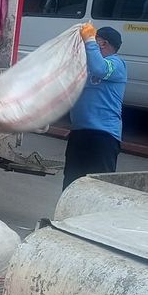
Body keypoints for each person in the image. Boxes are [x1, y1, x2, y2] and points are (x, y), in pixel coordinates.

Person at [63, 24, 127, 190]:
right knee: (71, 185)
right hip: (79, 133)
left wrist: (90, 41)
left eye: (94, 41)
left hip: (103, 137)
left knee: (96, 188)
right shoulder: (88, 65)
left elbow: (100, 69)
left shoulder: (117, 64)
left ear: (103, 43)